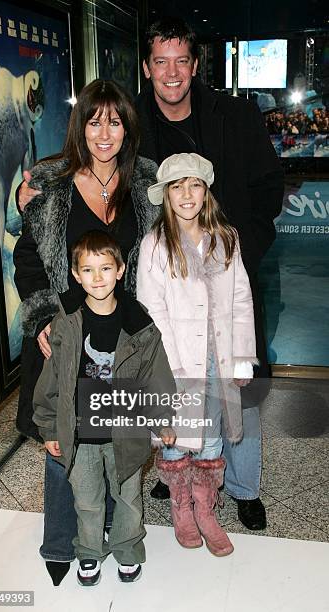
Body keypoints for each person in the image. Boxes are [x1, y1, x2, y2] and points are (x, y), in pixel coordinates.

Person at [135, 17, 284, 530]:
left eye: (181, 61)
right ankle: (178, 471)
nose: (172, 73)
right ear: (148, 67)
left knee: (238, 386)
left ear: (194, 66)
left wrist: (244, 253)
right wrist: (38, 184)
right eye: (161, 61)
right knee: (178, 379)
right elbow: (94, 157)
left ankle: (243, 489)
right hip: (169, 283)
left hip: (225, 273)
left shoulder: (236, 114)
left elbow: (268, 184)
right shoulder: (133, 120)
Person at [13, 79, 159, 585]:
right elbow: (27, 260)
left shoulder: (146, 185)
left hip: (120, 345)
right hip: (63, 340)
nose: (104, 132)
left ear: (127, 128)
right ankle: (62, 544)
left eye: (114, 121)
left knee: (115, 447)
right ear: (81, 126)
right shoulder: (50, 185)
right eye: (94, 121)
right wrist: (41, 319)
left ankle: (120, 541)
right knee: (61, 441)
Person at [33, 230, 176, 585]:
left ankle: (127, 549)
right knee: (87, 500)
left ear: (121, 270)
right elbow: (52, 380)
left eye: (105, 268)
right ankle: (90, 552)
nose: (97, 278)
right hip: (80, 433)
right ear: (76, 275)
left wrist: (162, 419)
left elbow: (155, 374)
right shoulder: (66, 322)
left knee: (127, 498)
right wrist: (50, 428)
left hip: (125, 431)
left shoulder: (139, 323)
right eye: (88, 270)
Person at [137, 153, 257, 555]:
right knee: (177, 439)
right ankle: (182, 509)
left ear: (206, 192)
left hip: (217, 359)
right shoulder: (154, 245)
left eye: (194, 185)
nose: (186, 194)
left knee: (210, 439)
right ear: (166, 194)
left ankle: (207, 510)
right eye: (177, 186)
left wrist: (242, 354)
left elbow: (241, 297)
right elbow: (152, 313)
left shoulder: (227, 238)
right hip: (175, 363)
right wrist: (163, 373)